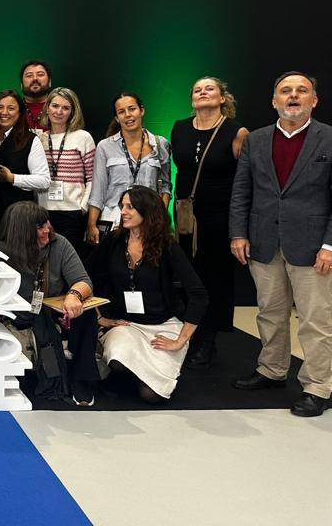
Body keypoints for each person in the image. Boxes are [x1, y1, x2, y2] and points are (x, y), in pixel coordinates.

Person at [229, 71, 332, 417]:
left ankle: (318, 386)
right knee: (270, 312)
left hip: (314, 247)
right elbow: (242, 189)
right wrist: (238, 233)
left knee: (316, 320)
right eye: (286, 91)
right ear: (274, 101)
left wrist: (330, 246)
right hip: (263, 241)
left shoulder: (328, 138)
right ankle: (272, 369)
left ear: (314, 100)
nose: (293, 96)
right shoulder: (256, 140)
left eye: (302, 90)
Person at [90, 186, 207, 403]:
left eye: (130, 207)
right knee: (118, 362)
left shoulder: (167, 245)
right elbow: (87, 277)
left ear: (147, 211)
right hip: (126, 325)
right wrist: (99, 317)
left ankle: (137, 374)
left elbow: (199, 294)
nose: (123, 212)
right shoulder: (114, 240)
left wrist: (180, 340)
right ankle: (127, 370)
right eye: (122, 206)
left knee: (152, 396)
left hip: (162, 325)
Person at [169, 77, 248, 370]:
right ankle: (190, 333)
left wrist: (240, 227)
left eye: (209, 89)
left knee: (214, 277)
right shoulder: (180, 128)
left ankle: (208, 340)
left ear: (222, 97)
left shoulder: (236, 132)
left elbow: (246, 178)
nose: (203, 92)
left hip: (219, 216)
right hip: (186, 216)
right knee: (189, 276)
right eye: (197, 90)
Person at [0, 202, 98, 406]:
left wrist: (74, 295)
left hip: (51, 312)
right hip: (15, 315)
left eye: (47, 223)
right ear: (22, 231)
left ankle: (80, 379)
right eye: (40, 227)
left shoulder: (60, 244)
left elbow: (83, 281)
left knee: (85, 313)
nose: (47, 229)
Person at [86, 92, 171, 246]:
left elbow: (166, 186)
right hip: (114, 218)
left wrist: (161, 216)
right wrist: (92, 224)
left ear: (141, 110)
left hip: (149, 220)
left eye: (132, 109)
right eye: (121, 112)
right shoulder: (105, 146)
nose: (127, 115)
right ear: (117, 118)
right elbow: (98, 189)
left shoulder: (160, 144)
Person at [36, 88, 96, 256]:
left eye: (65, 108)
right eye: (55, 106)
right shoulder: (39, 139)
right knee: (45, 259)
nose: (59, 112)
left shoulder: (83, 137)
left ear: (72, 112)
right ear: (47, 108)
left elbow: (93, 178)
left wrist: (83, 207)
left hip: (72, 212)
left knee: (68, 260)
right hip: (44, 212)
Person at [0, 90, 50, 238]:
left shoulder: (30, 140)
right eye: (0, 107)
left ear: (20, 113)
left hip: (18, 220)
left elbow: (44, 180)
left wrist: (13, 178)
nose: (4, 112)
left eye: (11, 108)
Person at [20, 60, 52, 130]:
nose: (35, 78)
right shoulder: (14, 109)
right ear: (21, 84)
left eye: (40, 75)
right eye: (29, 75)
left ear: (49, 82)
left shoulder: (60, 109)